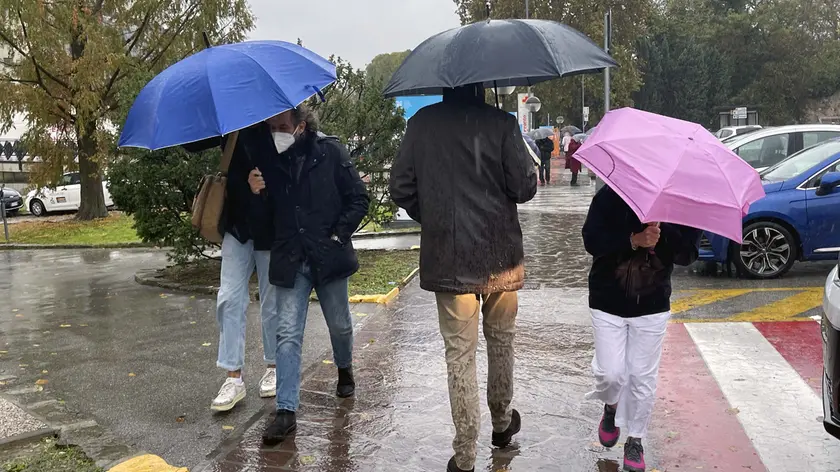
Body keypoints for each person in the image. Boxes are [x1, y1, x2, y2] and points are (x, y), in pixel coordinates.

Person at [390, 83, 537, 472]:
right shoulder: (503, 124)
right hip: (500, 258)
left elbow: (400, 187)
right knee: (501, 341)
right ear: (482, 84)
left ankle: (466, 453)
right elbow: (523, 188)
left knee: (459, 353)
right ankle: (502, 422)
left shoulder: (421, 125)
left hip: (449, 258)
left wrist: (437, 218)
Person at [248, 105, 370, 445]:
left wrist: (338, 236)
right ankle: (286, 411)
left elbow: (359, 199)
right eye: (271, 127)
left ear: (301, 126)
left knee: (340, 325)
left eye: (282, 126)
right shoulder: (268, 161)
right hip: (291, 258)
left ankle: (344, 367)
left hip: (328, 256)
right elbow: (264, 223)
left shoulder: (331, 152)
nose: (276, 133)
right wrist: (257, 194)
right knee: (287, 333)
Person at [581, 185, 701, 472]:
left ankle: (635, 439)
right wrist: (633, 240)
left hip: (652, 303)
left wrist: (663, 230)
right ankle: (611, 406)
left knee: (641, 377)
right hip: (607, 300)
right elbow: (591, 240)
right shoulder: (612, 194)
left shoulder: (684, 202)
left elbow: (688, 254)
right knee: (611, 374)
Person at [209, 125, 279, 412]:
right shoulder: (229, 125)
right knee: (229, 298)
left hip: (271, 229)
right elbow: (226, 176)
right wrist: (245, 184)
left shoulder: (277, 120)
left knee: (272, 301)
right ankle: (233, 377)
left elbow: (293, 172)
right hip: (238, 227)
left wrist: (269, 181)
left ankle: (274, 366)